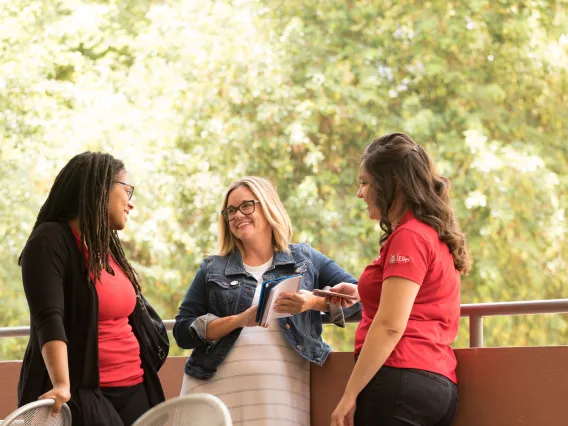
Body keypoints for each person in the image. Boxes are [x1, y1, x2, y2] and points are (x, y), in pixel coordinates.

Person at [173, 176, 360, 426]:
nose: (238, 215)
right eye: (231, 210)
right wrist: (239, 320)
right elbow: (183, 332)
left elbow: (362, 299)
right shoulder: (212, 268)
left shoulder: (304, 259)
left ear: (267, 206)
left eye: (246, 206)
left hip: (281, 400)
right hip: (212, 398)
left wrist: (314, 303)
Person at [330, 133, 471, 426]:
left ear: (393, 184)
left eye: (365, 183)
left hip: (400, 379)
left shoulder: (409, 236)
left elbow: (391, 326)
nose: (360, 193)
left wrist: (349, 394)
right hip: (438, 386)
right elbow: (420, 300)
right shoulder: (433, 234)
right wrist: (361, 293)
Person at [17, 152, 165, 426]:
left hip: (136, 390)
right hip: (85, 395)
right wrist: (62, 384)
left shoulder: (105, 247)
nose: (131, 204)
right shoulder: (50, 240)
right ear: (101, 189)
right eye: (127, 190)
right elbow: (48, 319)